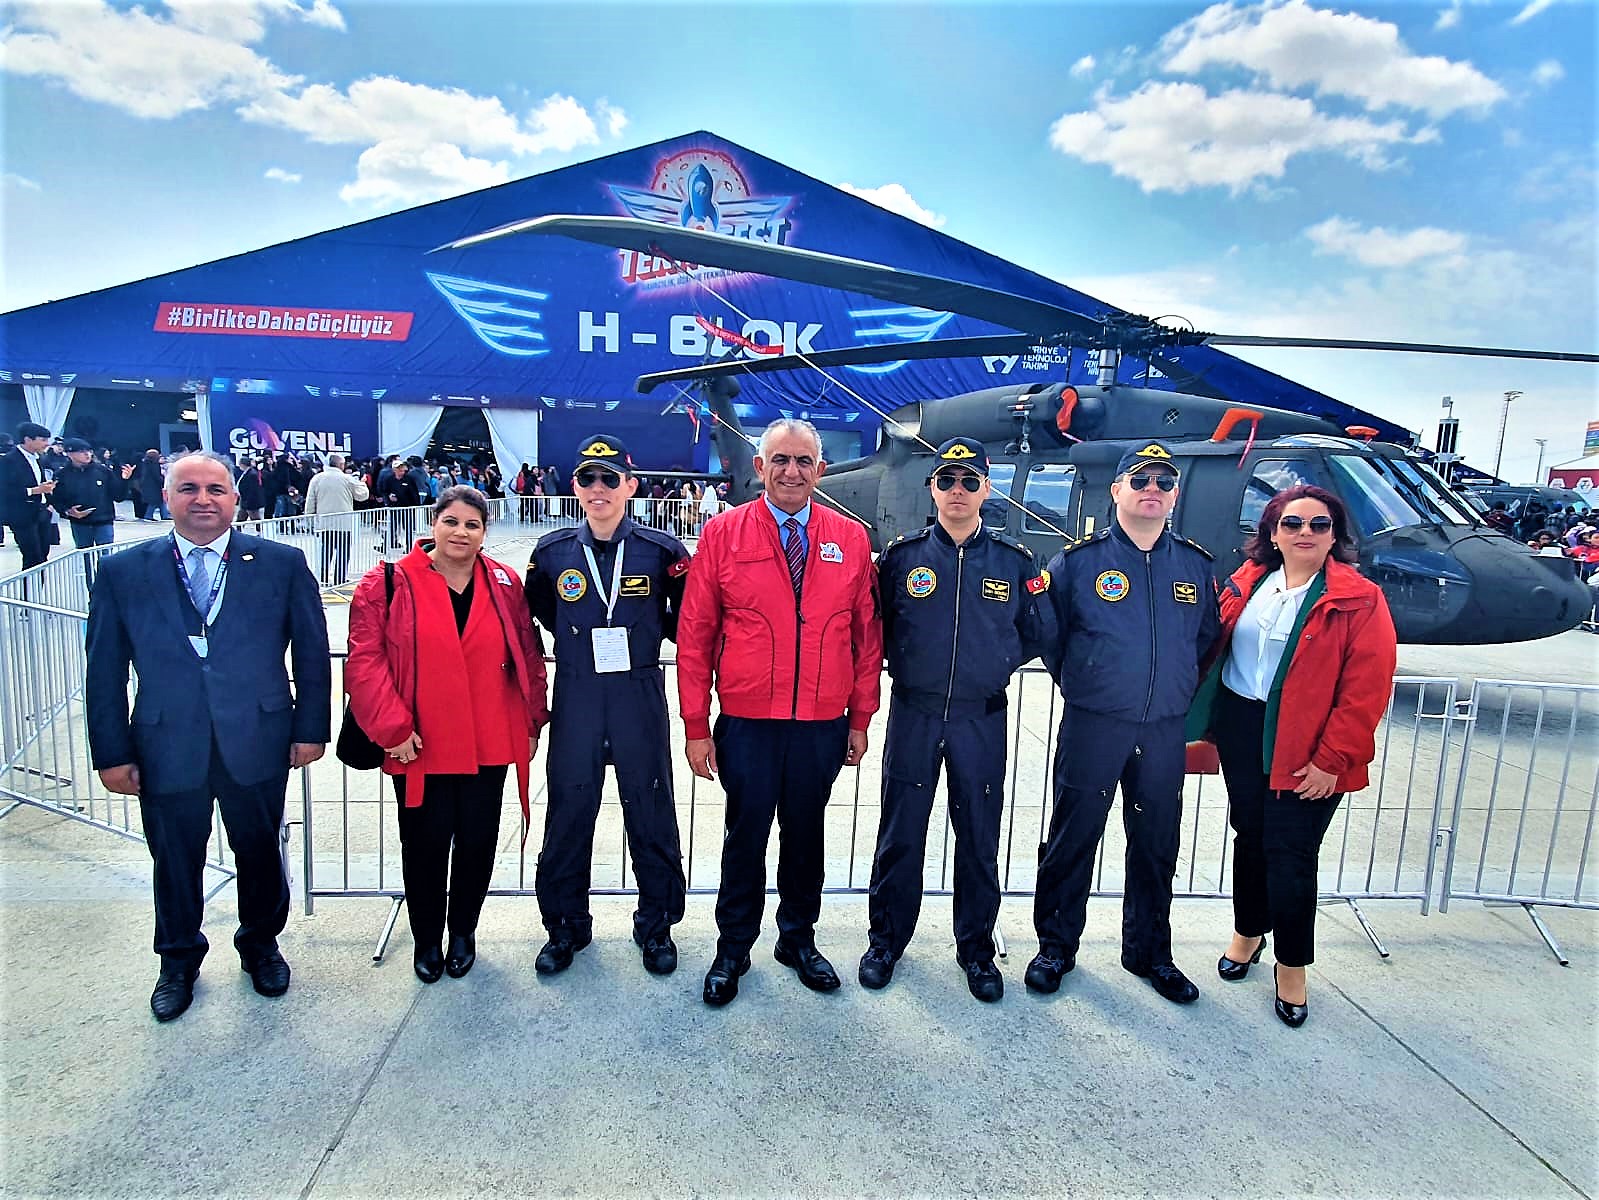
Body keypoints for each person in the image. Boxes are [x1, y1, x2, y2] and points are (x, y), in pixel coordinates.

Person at [84, 451, 331, 1022]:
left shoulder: (280, 563)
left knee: (259, 850)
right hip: (167, 742)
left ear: (235, 500)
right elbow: (103, 668)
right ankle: (177, 961)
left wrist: (310, 728)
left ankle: (261, 946)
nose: (203, 500)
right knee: (174, 858)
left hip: (258, 736)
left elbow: (312, 653)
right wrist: (112, 752)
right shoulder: (125, 571)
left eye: (216, 490)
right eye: (189, 488)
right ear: (166, 497)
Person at [678, 418, 882, 1007]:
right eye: (780, 461)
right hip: (748, 722)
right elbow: (695, 634)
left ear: (820, 470)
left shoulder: (850, 537)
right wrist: (696, 726)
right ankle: (733, 948)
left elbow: (866, 638)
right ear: (760, 468)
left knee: (806, 835)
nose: (792, 472)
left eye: (803, 461)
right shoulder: (723, 533)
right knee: (745, 836)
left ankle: (797, 939)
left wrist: (860, 718)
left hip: (820, 722)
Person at [1194, 484, 1397, 1028]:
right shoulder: (1248, 581)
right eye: (1292, 523)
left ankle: (1292, 966)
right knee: (1250, 836)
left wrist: (1333, 759)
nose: (1304, 532)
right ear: (1272, 533)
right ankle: (1247, 932)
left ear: (1336, 535)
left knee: (1292, 851)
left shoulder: (1359, 599)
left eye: (1318, 524)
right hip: (1243, 727)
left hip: (1308, 742)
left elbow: (1366, 688)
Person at [862, 438, 1055, 1002]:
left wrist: (990, 666)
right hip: (915, 712)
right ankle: (886, 942)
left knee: (977, 836)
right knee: (901, 834)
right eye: (947, 480)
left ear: (986, 490)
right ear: (933, 488)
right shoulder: (901, 558)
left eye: (970, 481)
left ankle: (976, 950)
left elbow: (1035, 633)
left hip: (979, 718)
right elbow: (878, 627)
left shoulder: (1014, 562)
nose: (958, 491)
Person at [1027, 442, 1220, 1005]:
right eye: (1140, 480)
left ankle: (1149, 952)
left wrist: (1170, 691)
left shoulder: (1195, 565)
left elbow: (1204, 640)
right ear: (1117, 491)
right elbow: (1052, 637)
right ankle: (1055, 947)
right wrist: (1092, 684)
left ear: (1174, 495)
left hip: (1162, 729)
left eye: (1163, 482)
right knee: (1073, 836)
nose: (1151, 490)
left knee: (1157, 843)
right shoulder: (1079, 563)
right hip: (1095, 724)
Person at [345, 487, 549, 984]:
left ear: (485, 532)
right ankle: (425, 938)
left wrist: (531, 721)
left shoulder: (504, 583)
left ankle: (463, 932)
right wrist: (392, 728)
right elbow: (365, 661)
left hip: (489, 740)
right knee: (425, 846)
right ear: (433, 524)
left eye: (472, 524)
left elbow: (528, 652)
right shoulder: (387, 583)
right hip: (419, 743)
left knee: (478, 843)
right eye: (451, 521)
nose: (461, 532)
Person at [525, 435, 691, 977]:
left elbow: (685, 621)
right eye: (588, 478)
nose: (598, 488)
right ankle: (565, 926)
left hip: (637, 694)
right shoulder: (551, 553)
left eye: (609, 478)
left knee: (651, 810)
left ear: (630, 485)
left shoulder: (663, 552)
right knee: (569, 813)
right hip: (578, 693)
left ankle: (657, 925)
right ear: (576, 486)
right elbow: (541, 612)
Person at [51, 436, 129, 551]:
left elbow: (118, 496)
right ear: (70, 454)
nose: (87, 454)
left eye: (89, 451)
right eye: (81, 451)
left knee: (106, 553)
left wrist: (125, 481)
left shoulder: (103, 471)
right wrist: (67, 511)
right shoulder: (61, 474)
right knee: (85, 553)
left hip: (103, 520)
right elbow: (56, 498)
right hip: (79, 522)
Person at [303, 453, 371, 585]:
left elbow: (310, 501)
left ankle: (323, 577)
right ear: (341, 465)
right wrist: (363, 484)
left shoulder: (317, 478)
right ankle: (339, 578)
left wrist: (310, 519)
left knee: (325, 551)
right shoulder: (347, 479)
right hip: (343, 523)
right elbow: (362, 496)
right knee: (343, 552)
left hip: (324, 522)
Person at [1, 421, 56, 570]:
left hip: (42, 511)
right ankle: (28, 585)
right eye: (43, 440)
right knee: (32, 556)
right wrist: (33, 491)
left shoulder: (40, 458)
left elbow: (41, 483)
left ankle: (38, 585)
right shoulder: (8, 460)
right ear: (28, 439)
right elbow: (4, 490)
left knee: (43, 555)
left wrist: (49, 504)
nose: (47, 444)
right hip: (21, 514)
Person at [382, 460, 422, 550]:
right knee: (392, 527)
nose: (401, 470)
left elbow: (414, 493)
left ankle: (409, 547)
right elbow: (384, 491)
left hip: (407, 508)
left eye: (402, 468)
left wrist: (416, 506)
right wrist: (388, 498)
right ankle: (388, 545)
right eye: (399, 468)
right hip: (394, 508)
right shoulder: (389, 479)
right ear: (394, 469)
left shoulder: (409, 479)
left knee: (408, 528)